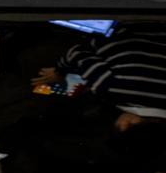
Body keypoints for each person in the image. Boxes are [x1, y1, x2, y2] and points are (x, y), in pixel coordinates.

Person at [36, 24, 166, 132]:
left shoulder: (112, 89)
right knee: (40, 85)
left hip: (159, 26)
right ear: (126, 125)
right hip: (122, 27)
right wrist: (59, 71)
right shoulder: (111, 89)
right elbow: (76, 52)